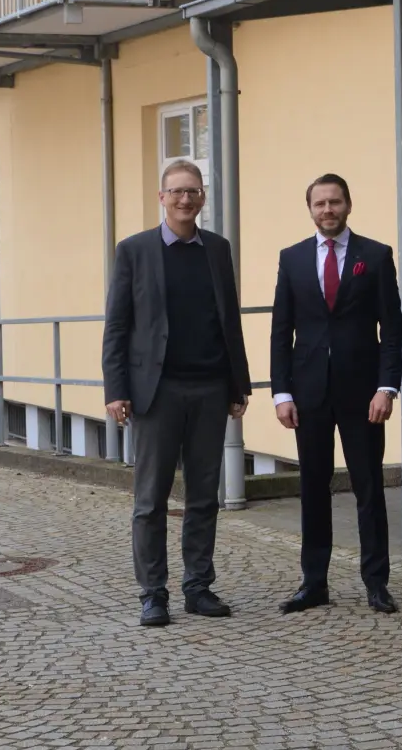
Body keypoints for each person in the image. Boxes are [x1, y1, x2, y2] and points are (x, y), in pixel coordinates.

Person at [103, 160, 251, 627]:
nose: (186, 200)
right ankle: (153, 594)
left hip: (209, 387)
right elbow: (117, 326)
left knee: (205, 495)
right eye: (177, 192)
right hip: (155, 392)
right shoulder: (134, 251)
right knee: (150, 500)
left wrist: (238, 382)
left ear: (203, 197)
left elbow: (230, 321)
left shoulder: (217, 250)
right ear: (162, 198)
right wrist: (116, 389)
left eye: (193, 191)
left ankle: (198, 587)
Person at [270, 173, 402, 615]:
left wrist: (388, 386)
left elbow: (392, 327)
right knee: (312, 487)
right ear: (309, 209)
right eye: (319, 203)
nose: (327, 210)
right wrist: (281, 392)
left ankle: (376, 583)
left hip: (364, 394)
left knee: (369, 488)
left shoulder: (376, 255)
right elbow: (280, 331)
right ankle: (314, 583)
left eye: (335, 202)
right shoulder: (291, 259)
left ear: (348, 205)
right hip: (308, 395)